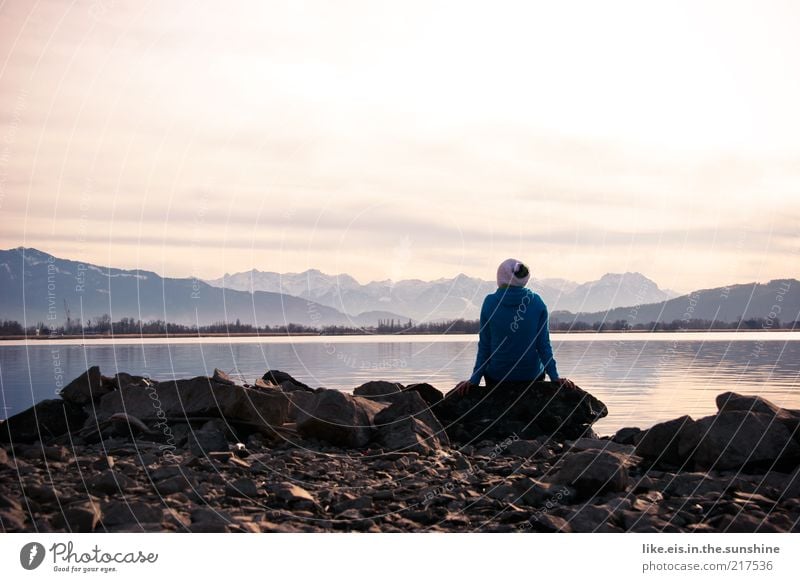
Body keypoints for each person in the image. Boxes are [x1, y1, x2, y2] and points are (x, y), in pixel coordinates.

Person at [454, 258, 575, 396]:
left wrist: (474, 381)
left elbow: (485, 347)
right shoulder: (537, 302)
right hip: (531, 376)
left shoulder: (489, 303)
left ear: (500, 278)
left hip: (498, 378)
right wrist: (555, 378)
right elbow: (543, 346)